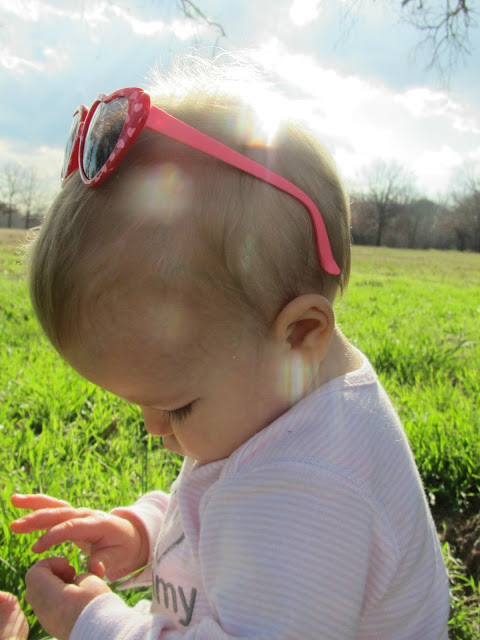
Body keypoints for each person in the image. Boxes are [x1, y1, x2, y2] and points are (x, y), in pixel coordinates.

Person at [10, 54, 449, 640]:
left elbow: (259, 522)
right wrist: (144, 534)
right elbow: (222, 507)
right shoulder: (279, 401)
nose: (153, 429)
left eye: (177, 406)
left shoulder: (309, 493)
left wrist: (93, 624)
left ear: (300, 335)